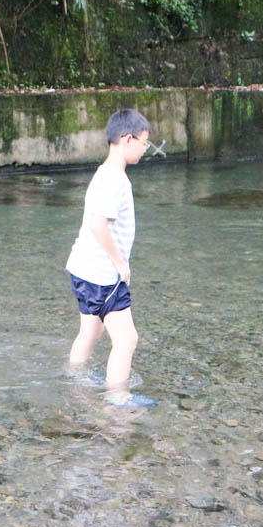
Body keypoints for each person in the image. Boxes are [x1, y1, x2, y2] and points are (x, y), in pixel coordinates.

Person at [64, 108, 155, 408]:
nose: (145, 149)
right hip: (103, 275)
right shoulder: (114, 180)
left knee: (91, 330)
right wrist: (120, 264)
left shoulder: (104, 174)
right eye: (144, 143)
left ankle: (74, 382)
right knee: (127, 339)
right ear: (127, 140)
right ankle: (118, 399)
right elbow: (97, 223)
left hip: (82, 269)